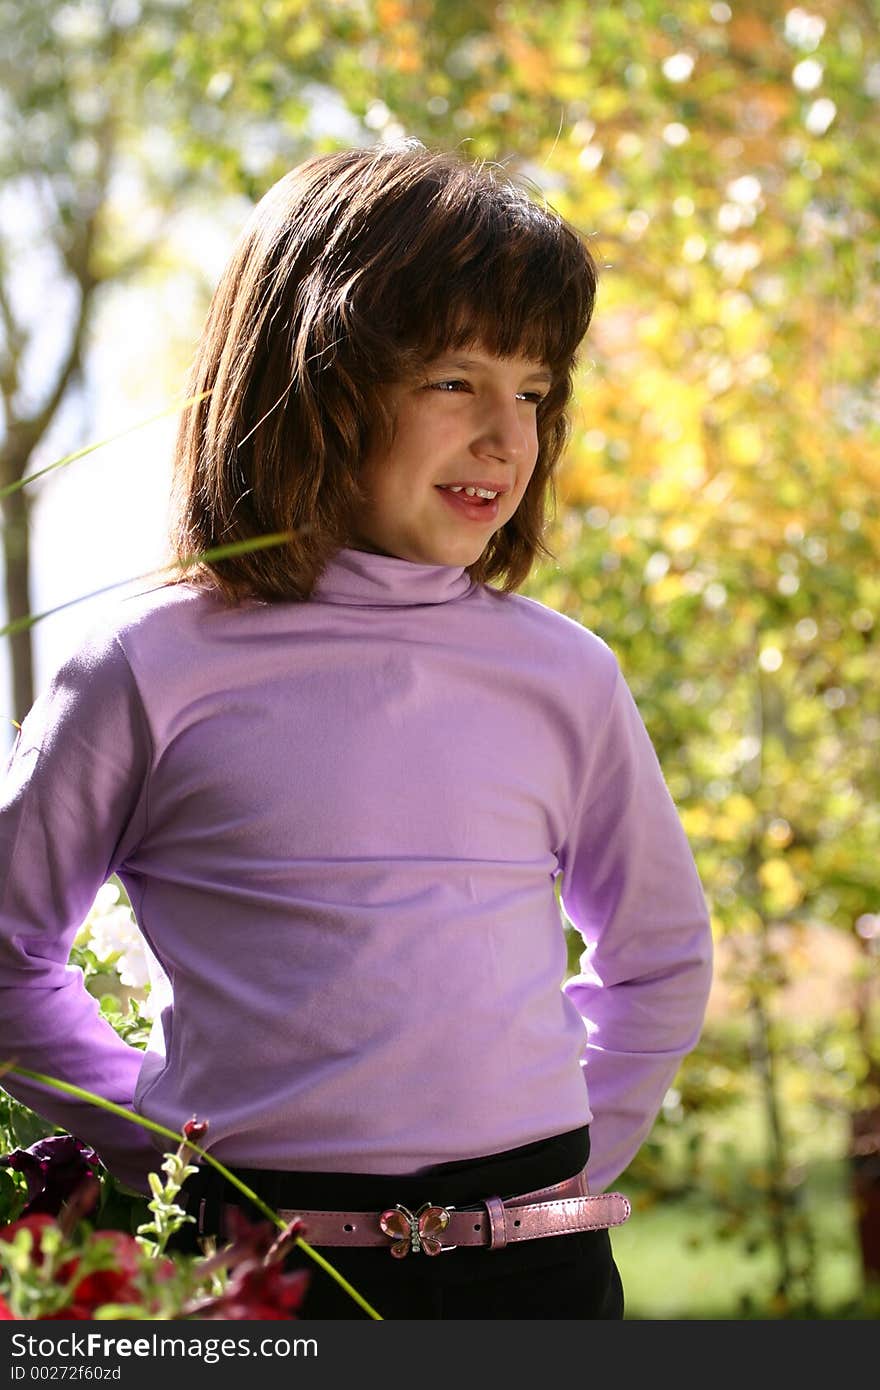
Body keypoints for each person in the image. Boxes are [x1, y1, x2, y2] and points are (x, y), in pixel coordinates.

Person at [0, 142, 713, 1320]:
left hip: (538, 1269)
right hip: (252, 1276)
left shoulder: (565, 675)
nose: (506, 436)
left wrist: (582, 1146)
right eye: (454, 381)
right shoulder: (143, 667)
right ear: (315, 378)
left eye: (533, 392)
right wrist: (145, 1145)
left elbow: (660, 955)